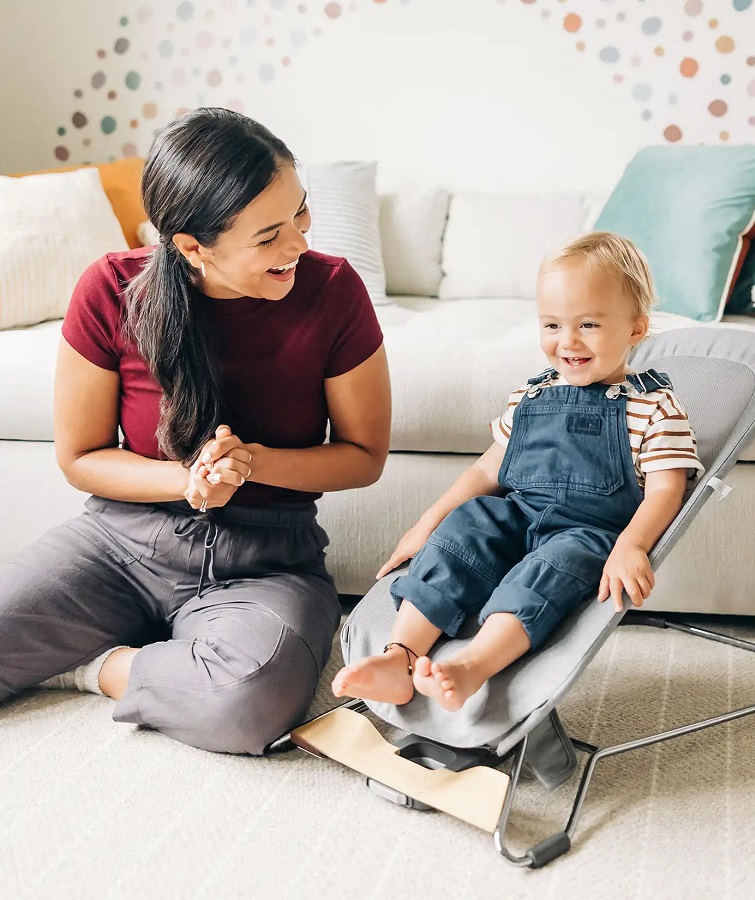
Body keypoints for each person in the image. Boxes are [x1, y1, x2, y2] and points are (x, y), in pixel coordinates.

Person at [0, 108, 391, 755]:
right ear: (190, 246)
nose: (298, 242)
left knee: (250, 701)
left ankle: (97, 668)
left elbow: (363, 455)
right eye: (268, 236)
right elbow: (80, 456)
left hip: (267, 562)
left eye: (300, 212)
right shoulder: (110, 288)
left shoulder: (333, 291)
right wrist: (188, 481)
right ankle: (167, 659)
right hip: (119, 545)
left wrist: (250, 465)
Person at [332, 232, 702, 712]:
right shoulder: (532, 396)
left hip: (588, 532)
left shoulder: (654, 408)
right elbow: (488, 469)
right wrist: (427, 526)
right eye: (551, 324)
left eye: (588, 324)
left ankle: (471, 667)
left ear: (635, 329)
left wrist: (631, 545)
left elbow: (665, 490)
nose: (566, 341)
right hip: (520, 516)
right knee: (468, 527)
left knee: (548, 572)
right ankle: (399, 657)